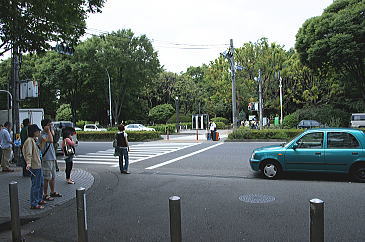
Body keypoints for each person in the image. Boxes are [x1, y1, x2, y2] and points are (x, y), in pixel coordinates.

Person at [23, 124, 46, 209]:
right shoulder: (29, 141)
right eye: (37, 131)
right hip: (34, 166)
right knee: (36, 185)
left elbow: (40, 150)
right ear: (34, 132)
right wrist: (28, 163)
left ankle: (39, 199)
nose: (39, 132)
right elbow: (28, 153)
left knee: (40, 183)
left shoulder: (33, 140)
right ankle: (34, 203)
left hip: (38, 165)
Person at [39, 119, 62, 200]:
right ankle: (45, 194)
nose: (51, 126)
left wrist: (50, 130)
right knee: (47, 177)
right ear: (45, 126)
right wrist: (48, 131)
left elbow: (54, 136)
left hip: (52, 157)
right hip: (46, 158)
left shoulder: (49, 133)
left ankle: (52, 192)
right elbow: (51, 140)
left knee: (53, 177)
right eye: (49, 125)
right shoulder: (42, 135)